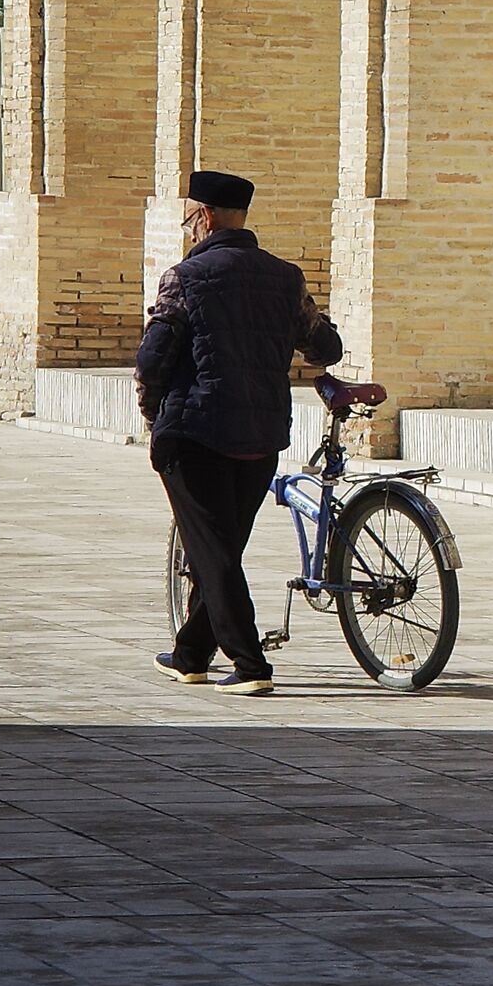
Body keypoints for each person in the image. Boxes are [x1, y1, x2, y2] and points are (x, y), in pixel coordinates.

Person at [136, 170, 344, 696]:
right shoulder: (285, 278)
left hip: (195, 434)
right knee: (220, 550)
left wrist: (153, 415)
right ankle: (190, 655)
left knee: (215, 553)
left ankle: (251, 665)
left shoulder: (185, 278)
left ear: (204, 218)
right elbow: (324, 347)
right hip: (261, 436)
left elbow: (151, 360)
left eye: (188, 219)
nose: (189, 230)